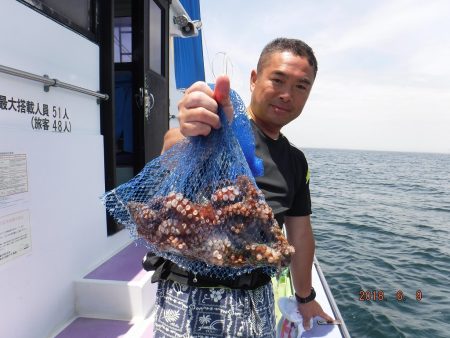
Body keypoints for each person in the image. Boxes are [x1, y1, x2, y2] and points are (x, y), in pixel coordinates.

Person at [148, 37, 333, 337]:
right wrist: (192, 127)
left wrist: (306, 297)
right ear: (253, 79)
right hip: (189, 298)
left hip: (256, 299)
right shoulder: (220, 127)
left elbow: (300, 234)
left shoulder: (296, 162)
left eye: (301, 86)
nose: (287, 94)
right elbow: (173, 146)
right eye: (278, 79)